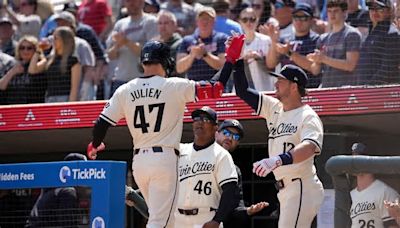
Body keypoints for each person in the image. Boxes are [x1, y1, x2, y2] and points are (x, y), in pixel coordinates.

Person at [86, 40, 231, 228]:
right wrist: (231, 59)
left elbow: (101, 124)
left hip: (139, 163)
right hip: (164, 160)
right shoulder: (173, 85)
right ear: (166, 62)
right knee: (159, 221)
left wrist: (95, 145)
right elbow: (216, 87)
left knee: (166, 220)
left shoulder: (125, 89)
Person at [224, 35, 325, 227]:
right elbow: (243, 91)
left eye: (281, 81)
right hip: (287, 189)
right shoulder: (275, 108)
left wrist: (278, 160)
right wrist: (237, 61)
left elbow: (310, 147)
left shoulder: (307, 116)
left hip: (302, 185)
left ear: (294, 86)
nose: (276, 84)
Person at [175, 106, 239, 228]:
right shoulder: (180, 150)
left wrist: (217, 220)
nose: (200, 122)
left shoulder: (221, 154)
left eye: (206, 120)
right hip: (177, 218)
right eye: (197, 119)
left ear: (215, 127)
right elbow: (163, 180)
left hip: (205, 217)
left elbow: (230, 190)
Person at [215, 119, 269, 228]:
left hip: (214, 223)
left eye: (235, 137)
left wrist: (248, 211)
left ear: (237, 143)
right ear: (216, 134)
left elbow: (234, 207)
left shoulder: (234, 170)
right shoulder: (197, 156)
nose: (229, 138)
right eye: (226, 133)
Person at [307, 0, 362, 88]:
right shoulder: (323, 38)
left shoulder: (352, 34)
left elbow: (350, 65)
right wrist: (316, 61)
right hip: (326, 88)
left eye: (336, 11)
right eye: (329, 11)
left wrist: (323, 59)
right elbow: (315, 71)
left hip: (347, 89)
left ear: (344, 13)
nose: (332, 14)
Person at [266, 2, 321, 88]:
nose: (299, 21)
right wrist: (273, 41)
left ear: (311, 20)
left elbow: (313, 68)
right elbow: (270, 64)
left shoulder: (316, 39)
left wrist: (289, 53)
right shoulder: (285, 39)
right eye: (296, 17)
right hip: (287, 89)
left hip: (308, 88)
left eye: (303, 17)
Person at [25, 153, 87, 228]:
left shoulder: (54, 188)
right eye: (84, 169)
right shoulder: (67, 191)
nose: (86, 173)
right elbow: (67, 224)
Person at [350, 142, 400, 228]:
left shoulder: (385, 192)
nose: (355, 160)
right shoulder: (351, 194)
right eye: (353, 156)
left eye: (360, 157)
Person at [176, 7, 227, 81]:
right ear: (197, 22)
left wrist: (205, 54)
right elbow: (179, 68)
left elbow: (223, 66)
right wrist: (192, 55)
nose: (205, 22)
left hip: (216, 85)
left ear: (214, 22)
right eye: (202, 19)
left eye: (208, 19)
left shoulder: (221, 38)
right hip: (194, 87)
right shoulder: (187, 40)